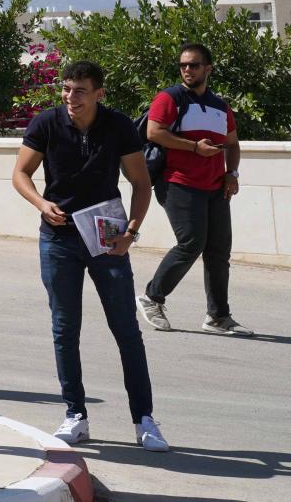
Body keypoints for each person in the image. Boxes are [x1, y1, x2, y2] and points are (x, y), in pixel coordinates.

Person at [12, 60, 165, 452]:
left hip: (107, 235)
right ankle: (75, 415)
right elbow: (20, 175)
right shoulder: (46, 123)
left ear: (99, 94)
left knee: (126, 330)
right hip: (58, 237)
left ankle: (144, 420)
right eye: (65, 89)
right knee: (65, 329)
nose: (69, 97)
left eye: (79, 91)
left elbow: (140, 182)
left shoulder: (117, 126)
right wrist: (41, 204)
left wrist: (131, 232)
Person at [139, 42, 247, 335]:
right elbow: (154, 132)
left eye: (194, 65)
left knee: (218, 251)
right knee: (191, 243)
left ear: (207, 68)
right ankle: (152, 297)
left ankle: (218, 317)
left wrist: (231, 173)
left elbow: (232, 143)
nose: (187, 70)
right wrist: (193, 148)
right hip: (178, 182)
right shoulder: (169, 98)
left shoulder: (219, 106)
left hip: (215, 186)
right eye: (183, 65)